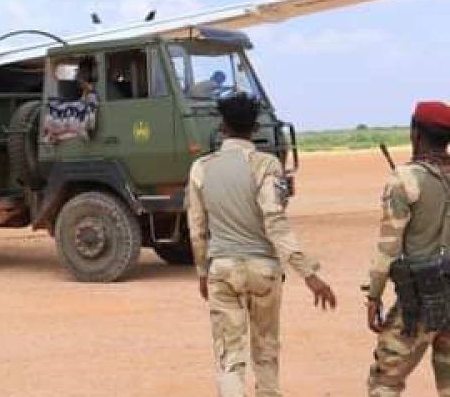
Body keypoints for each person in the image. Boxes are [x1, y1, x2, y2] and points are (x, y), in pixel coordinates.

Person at [187, 92, 336, 397]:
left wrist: (203, 272)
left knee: (230, 358)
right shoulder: (266, 165)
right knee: (266, 352)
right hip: (264, 272)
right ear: (255, 128)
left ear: (222, 126)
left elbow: (197, 229)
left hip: (222, 270)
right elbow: (275, 221)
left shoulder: (201, 168)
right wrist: (309, 274)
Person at [365, 101, 450, 395]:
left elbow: (388, 247)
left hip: (420, 301)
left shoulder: (405, 180)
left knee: (385, 381)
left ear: (415, 133)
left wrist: (373, 296)